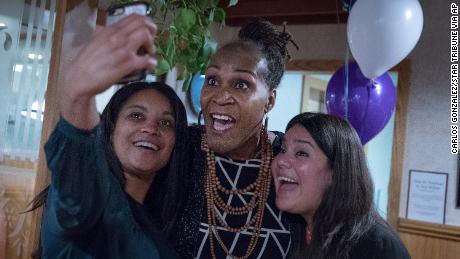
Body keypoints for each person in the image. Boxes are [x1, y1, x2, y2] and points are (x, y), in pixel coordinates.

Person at [37, 14, 188, 258]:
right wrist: (78, 93)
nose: (150, 128)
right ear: (110, 128)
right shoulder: (91, 199)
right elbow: (78, 162)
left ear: (175, 142)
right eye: (136, 116)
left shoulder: (157, 222)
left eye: (165, 122)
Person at [160, 18, 301, 258]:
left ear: (270, 100)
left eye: (241, 85)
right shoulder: (179, 148)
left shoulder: (290, 163)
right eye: (212, 81)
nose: (220, 96)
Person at [271, 112, 411, 259]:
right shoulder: (296, 231)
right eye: (283, 150)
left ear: (337, 171)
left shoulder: (379, 248)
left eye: (301, 153)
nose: (280, 161)